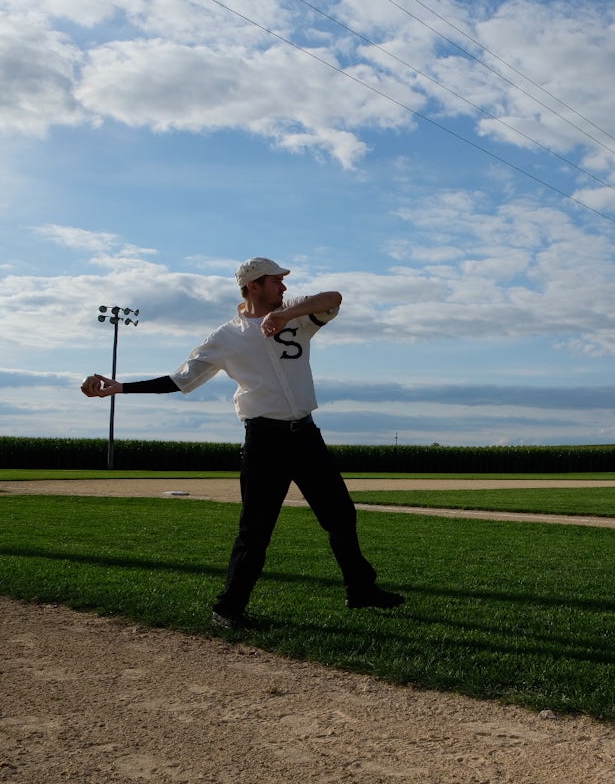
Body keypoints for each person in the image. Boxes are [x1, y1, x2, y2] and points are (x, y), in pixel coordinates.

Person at [81, 257, 404, 629]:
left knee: (341, 515)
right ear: (254, 286)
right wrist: (120, 388)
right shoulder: (225, 337)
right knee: (256, 530)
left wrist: (286, 315)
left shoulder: (295, 316)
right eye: (276, 281)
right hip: (265, 440)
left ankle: (360, 590)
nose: (283, 287)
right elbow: (181, 380)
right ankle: (228, 609)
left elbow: (334, 297)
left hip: (306, 435)